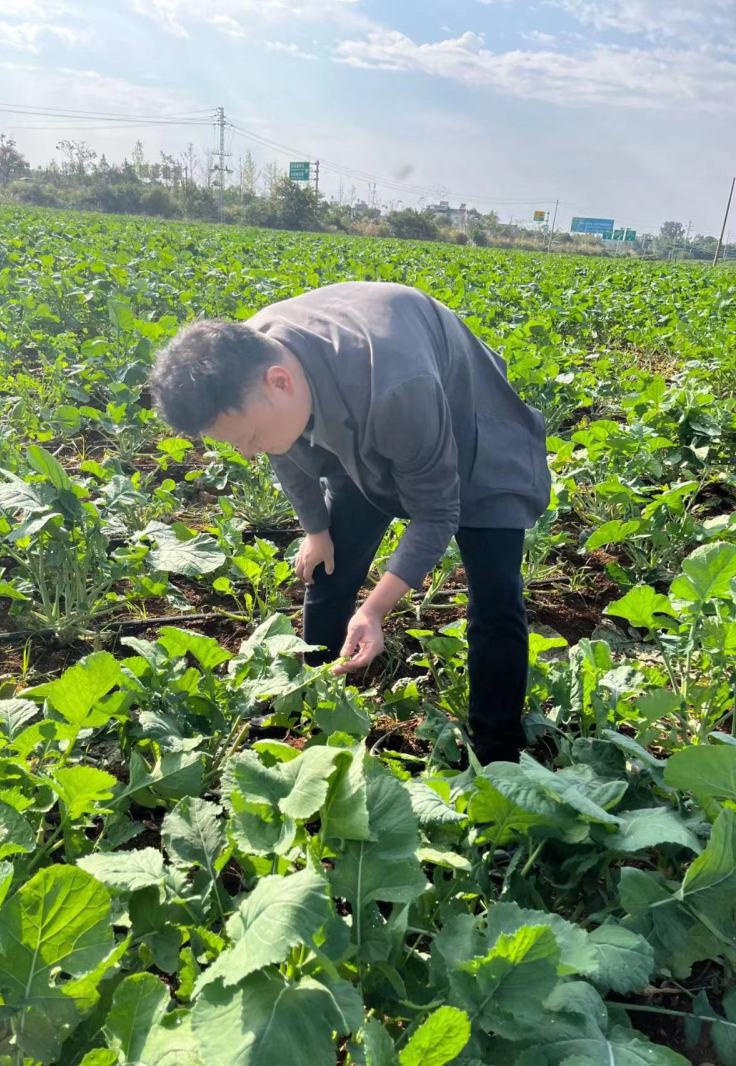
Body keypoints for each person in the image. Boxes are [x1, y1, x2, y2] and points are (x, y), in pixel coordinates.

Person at [149, 281, 551, 764]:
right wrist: (316, 530)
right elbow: (282, 448)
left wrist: (376, 609)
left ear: (281, 382)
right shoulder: (253, 358)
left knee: (496, 597)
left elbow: (437, 510)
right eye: (237, 443)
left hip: (471, 431)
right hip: (358, 416)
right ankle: (312, 692)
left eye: (250, 436)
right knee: (331, 561)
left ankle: (498, 751)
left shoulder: (396, 386)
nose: (249, 451)